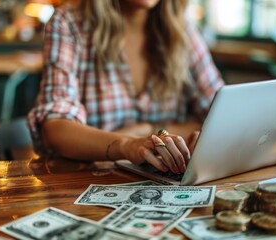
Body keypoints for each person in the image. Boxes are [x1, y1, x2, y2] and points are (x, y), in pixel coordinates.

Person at [28, 0, 224, 174]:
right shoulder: (68, 23)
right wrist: (128, 144)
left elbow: (223, 114)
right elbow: (56, 128)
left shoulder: (183, 30)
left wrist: (149, 130)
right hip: (88, 183)